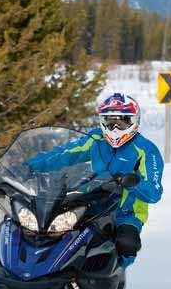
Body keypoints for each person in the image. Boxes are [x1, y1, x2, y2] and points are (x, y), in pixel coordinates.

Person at [27, 92, 164, 269]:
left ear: (134, 121)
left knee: (125, 245)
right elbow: (64, 154)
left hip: (126, 213)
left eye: (122, 121)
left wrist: (133, 182)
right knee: (52, 232)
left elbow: (154, 193)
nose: (115, 128)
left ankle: (110, 284)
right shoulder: (96, 139)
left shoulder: (146, 150)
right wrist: (30, 166)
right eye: (110, 121)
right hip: (91, 202)